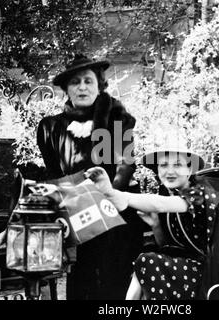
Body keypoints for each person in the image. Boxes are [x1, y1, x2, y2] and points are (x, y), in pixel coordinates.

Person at [37, 54, 145, 299]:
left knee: (112, 278)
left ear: (100, 86)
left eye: (88, 81)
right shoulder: (51, 127)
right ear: (66, 89)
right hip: (76, 210)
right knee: (81, 277)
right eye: (75, 82)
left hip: (115, 208)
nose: (82, 87)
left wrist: (106, 202)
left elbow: (125, 165)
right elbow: (55, 173)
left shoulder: (117, 119)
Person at [85, 147, 219, 300]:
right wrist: (156, 225)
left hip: (208, 277)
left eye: (177, 165)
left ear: (189, 169)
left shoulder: (201, 192)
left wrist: (116, 194)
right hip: (185, 270)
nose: (170, 171)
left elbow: (159, 204)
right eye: (164, 165)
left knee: (147, 261)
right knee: (144, 264)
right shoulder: (168, 193)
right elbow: (167, 247)